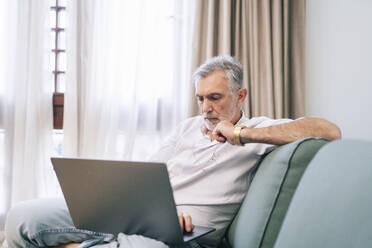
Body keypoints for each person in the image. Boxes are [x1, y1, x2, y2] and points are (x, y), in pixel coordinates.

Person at [4, 56, 341, 248]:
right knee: (24, 217)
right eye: (200, 98)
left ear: (240, 97)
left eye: (215, 98)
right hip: (140, 216)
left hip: (181, 236)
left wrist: (242, 134)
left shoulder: (258, 132)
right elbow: (146, 176)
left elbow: (328, 130)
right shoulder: (185, 128)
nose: (206, 107)